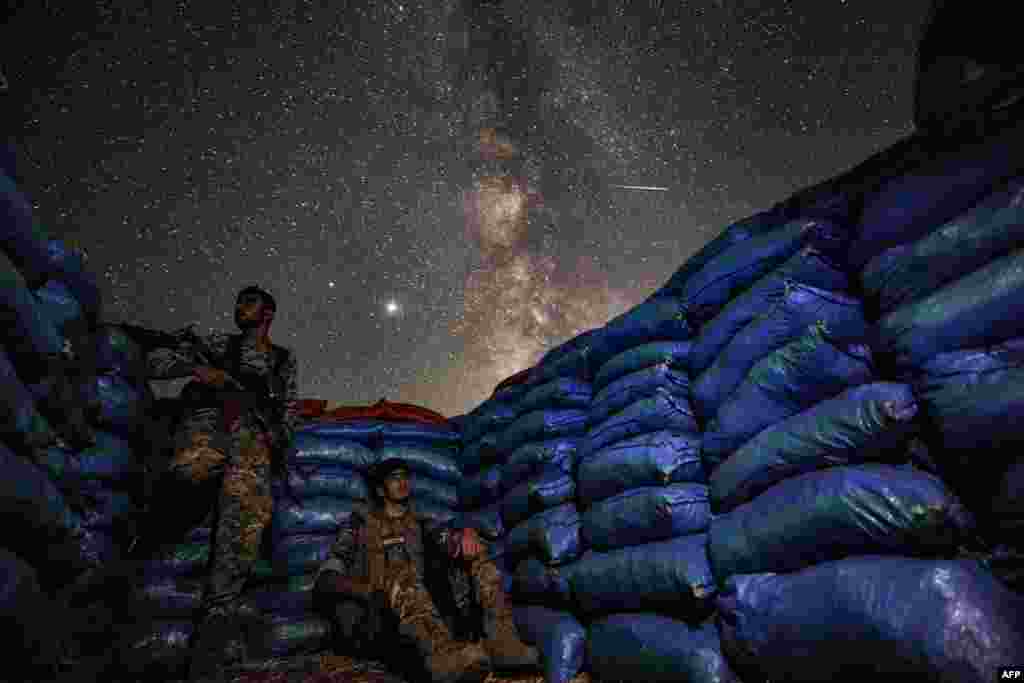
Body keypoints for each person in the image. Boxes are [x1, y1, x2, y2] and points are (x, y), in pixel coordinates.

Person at [112, 285, 298, 682]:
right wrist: (199, 371)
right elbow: (156, 361)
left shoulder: (282, 360)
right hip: (208, 425)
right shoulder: (215, 343)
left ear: (268, 313)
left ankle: (214, 631)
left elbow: (289, 409)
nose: (238, 308)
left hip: (252, 438)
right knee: (184, 481)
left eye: (248, 302)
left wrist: (282, 444)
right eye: (238, 302)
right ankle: (128, 560)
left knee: (246, 517)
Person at [314, 457, 540, 683]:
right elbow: (326, 578)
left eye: (405, 477)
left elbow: (448, 541)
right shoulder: (359, 524)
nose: (402, 482)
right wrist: (370, 592)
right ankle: (443, 659)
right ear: (380, 491)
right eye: (394, 478)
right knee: (402, 575)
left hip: (421, 618)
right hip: (377, 617)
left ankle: (504, 645)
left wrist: (465, 535)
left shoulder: (421, 522)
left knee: (477, 558)